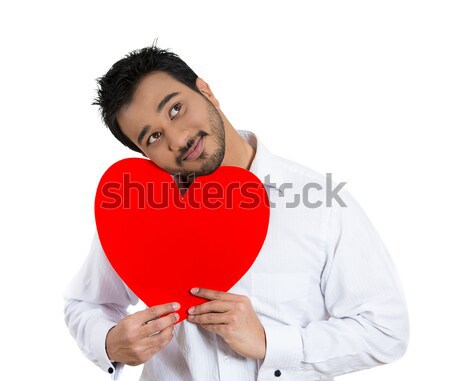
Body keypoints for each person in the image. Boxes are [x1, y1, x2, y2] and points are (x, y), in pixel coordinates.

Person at [64, 44, 409, 381]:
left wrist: (270, 343)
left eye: (175, 109)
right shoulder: (139, 211)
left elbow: (385, 330)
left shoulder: (319, 203)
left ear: (206, 91)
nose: (178, 139)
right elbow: (85, 303)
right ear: (144, 154)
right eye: (153, 137)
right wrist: (110, 343)